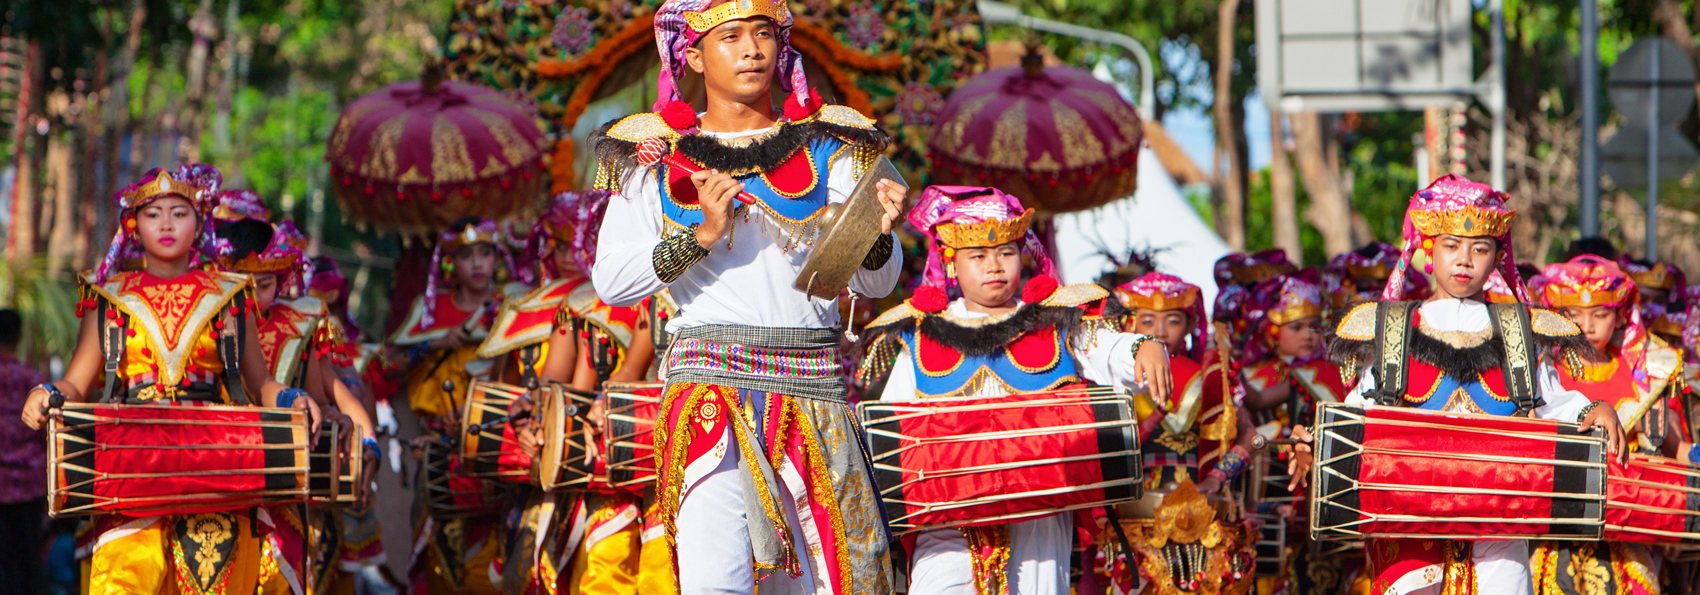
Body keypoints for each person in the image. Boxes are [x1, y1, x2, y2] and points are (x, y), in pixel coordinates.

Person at [588, 0, 908, 591]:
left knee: (829, 582)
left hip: (812, 392)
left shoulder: (833, 149)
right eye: (730, 36)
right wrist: (700, 236)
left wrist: (876, 235)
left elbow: (874, 283)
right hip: (710, 398)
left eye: (763, 34)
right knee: (720, 582)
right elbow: (611, 280)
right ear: (693, 55)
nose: (751, 49)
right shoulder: (652, 159)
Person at [1301, 175, 1627, 595]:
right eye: (1451, 245)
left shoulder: (1519, 330)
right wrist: (1314, 440)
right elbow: (1359, 411)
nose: (1464, 260)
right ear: (1428, 250)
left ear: (1496, 258)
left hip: (1501, 517)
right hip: (1407, 523)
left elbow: (1553, 403)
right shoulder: (1393, 328)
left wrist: (1592, 410)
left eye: (1480, 248)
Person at [855, 186, 1171, 595]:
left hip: (1038, 511)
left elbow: (1109, 350)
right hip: (947, 514)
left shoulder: (1055, 320)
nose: (994, 266)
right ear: (952, 264)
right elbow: (893, 428)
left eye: (1005, 252)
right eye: (978, 256)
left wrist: (1144, 346)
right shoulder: (920, 332)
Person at [20, 165, 320, 594]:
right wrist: (46, 393)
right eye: (153, 213)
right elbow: (76, 383)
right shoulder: (108, 295)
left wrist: (292, 398)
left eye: (179, 213)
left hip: (215, 465)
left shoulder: (231, 294)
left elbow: (260, 383)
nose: (165, 224)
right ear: (133, 225)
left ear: (200, 224)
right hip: (132, 465)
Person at [487, 190, 667, 595]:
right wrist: (537, 413)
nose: (573, 253)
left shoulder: (664, 294)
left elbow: (625, 375)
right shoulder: (584, 305)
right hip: (608, 469)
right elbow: (571, 387)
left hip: (674, 455)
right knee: (601, 574)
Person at [216, 216, 381, 595]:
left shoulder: (300, 322)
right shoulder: (208, 317)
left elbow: (330, 399)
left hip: (281, 484)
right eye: (240, 285)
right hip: (217, 471)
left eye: (264, 285)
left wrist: (367, 444)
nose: (252, 297)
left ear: (282, 278)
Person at [1527, 254, 1687, 594]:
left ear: (1620, 314)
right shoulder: (1542, 372)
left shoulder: (1647, 374)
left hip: (1625, 532)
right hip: (1554, 535)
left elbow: (1675, 447)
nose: (1588, 325)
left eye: (1600, 314)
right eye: (1574, 314)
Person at [386, 216, 514, 594]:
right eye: (466, 255)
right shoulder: (428, 309)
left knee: (494, 561)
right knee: (436, 561)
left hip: (498, 449)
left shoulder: (513, 307)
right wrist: (437, 343)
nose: (477, 264)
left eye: (485, 254)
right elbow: (388, 363)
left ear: (497, 259)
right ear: (450, 263)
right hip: (438, 448)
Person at [0, 309, 47, 593]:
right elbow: (46, 434)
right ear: (18, 337)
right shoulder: (34, 380)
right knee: (30, 561)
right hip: (30, 486)